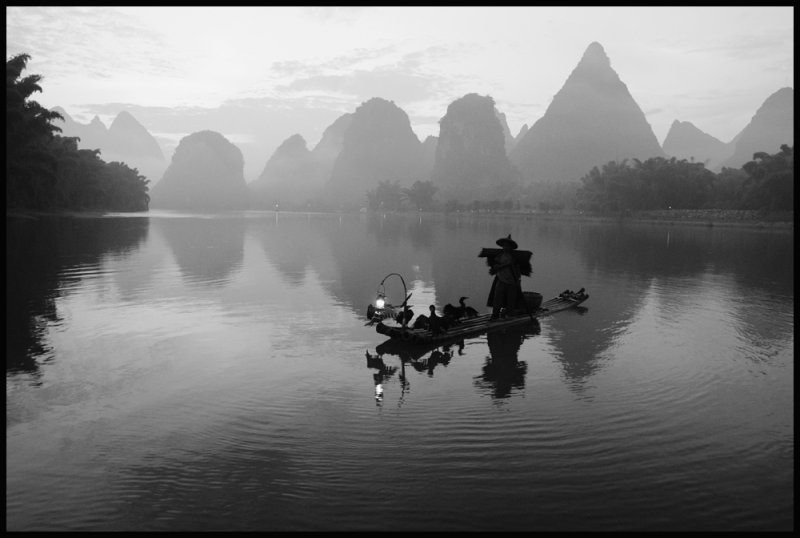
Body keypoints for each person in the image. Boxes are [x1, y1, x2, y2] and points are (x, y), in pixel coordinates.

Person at [489, 234, 522, 320]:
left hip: (512, 282)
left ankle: (509, 315)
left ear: (511, 247)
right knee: (497, 299)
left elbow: (518, 270)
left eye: (507, 246)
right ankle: (495, 315)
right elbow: (494, 266)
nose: (505, 247)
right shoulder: (499, 256)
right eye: (504, 246)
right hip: (501, 280)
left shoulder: (514, 257)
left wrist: (518, 279)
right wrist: (496, 267)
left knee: (511, 300)